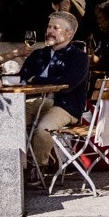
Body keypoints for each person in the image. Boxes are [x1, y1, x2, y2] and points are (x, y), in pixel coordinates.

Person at [20, 11, 90, 171]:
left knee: (43, 130)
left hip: (65, 105)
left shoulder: (78, 57)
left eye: (55, 28)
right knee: (10, 122)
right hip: (36, 101)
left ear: (69, 33)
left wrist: (37, 80)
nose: (49, 31)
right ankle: (18, 166)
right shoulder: (39, 54)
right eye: (49, 26)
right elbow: (23, 76)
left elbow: (68, 84)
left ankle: (37, 167)